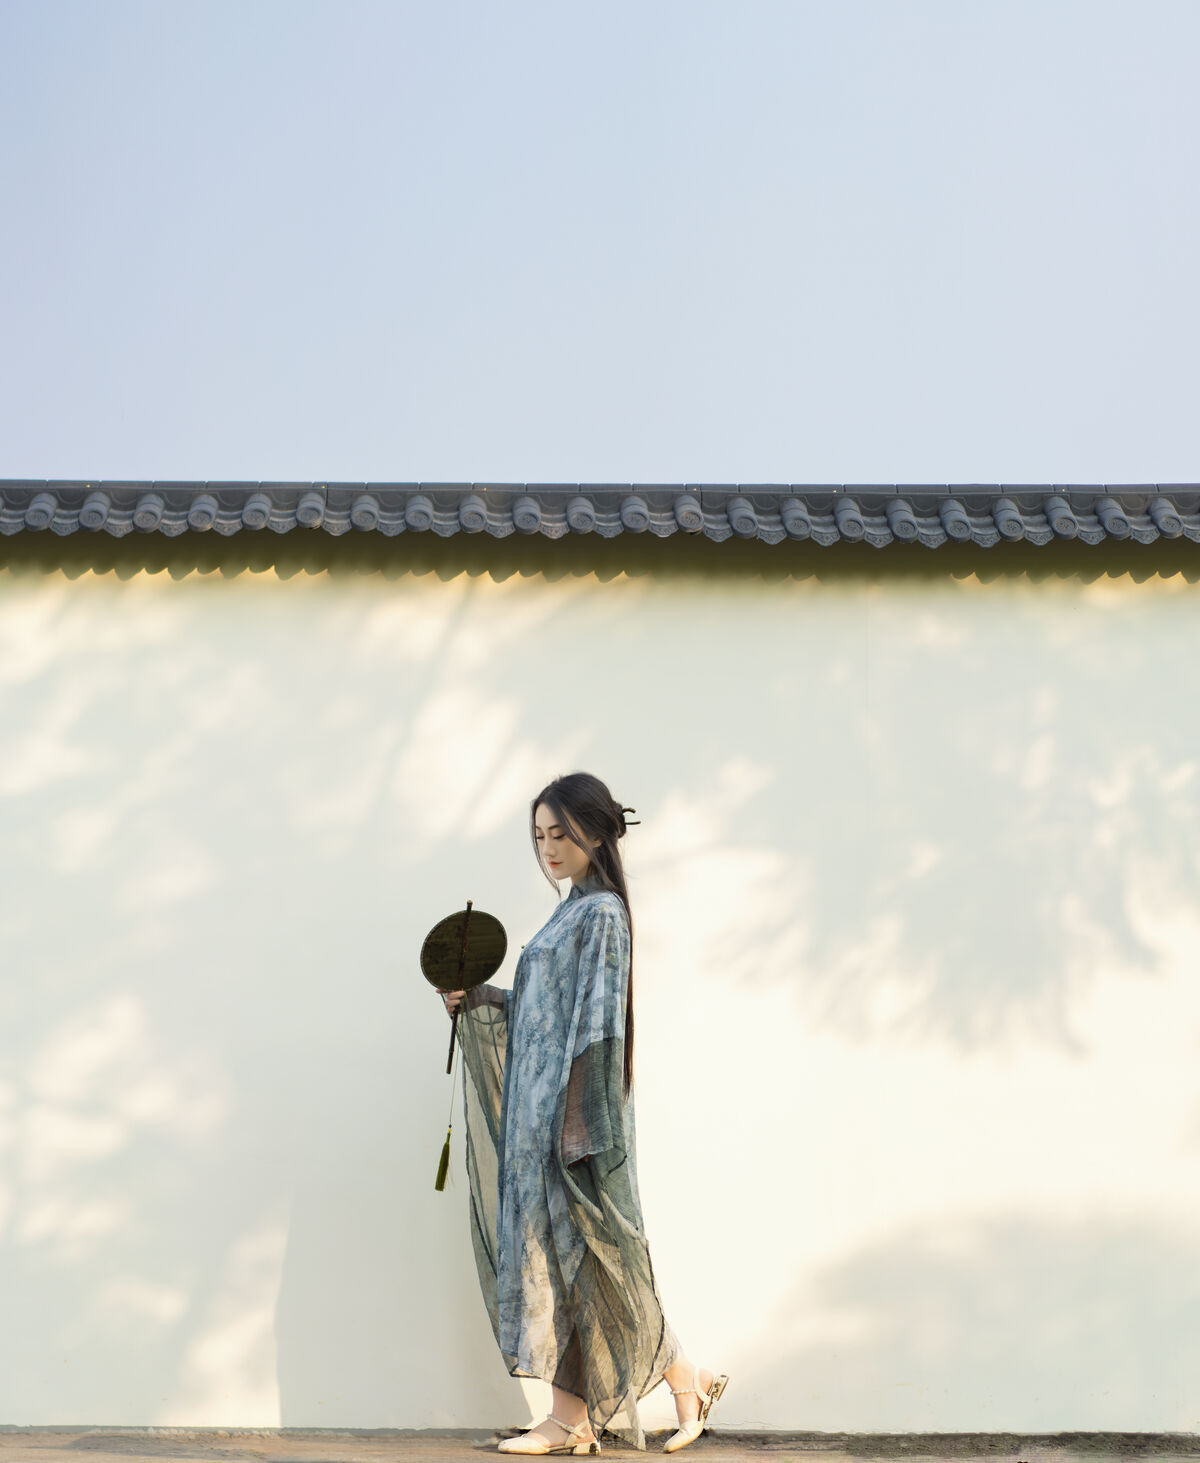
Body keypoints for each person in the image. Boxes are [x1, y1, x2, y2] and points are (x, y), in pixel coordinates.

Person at [437, 771, 729, 1455]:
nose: (548, 848)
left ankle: (577, 1415)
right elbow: (544, 1014)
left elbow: (596, 1025)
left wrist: (577, 1129)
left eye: (560, 834)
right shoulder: (569, 911)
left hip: (567, 1123)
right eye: (540, 836)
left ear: (595, 833)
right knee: (574, 1264)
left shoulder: (601, 915)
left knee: (586, 1260)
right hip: (535, 1120)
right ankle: (679, 1381)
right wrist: (481, 998)